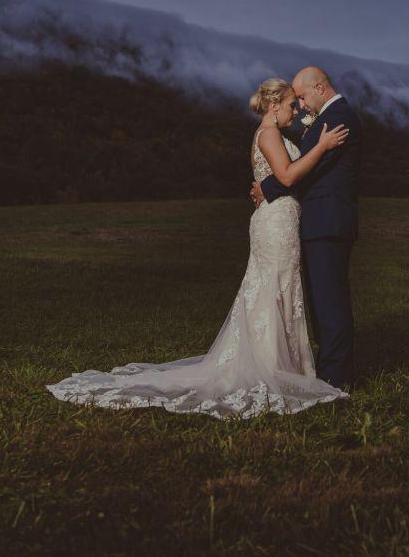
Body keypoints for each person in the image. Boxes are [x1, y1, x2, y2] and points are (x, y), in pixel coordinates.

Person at [45, 77, 351, 419]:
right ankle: (269, 370)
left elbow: (282, 179)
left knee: (282, 290)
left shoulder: (275, 134)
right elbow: (289, 177)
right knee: (271, 291)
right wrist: (322, 146)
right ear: (275, 104)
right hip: (275, 225)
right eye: (292, 106)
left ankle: (284, 368)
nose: (295, 112)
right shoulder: (268, 134)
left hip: (283, 222)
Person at [250, 66, 362, 390]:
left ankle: (336, 379)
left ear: (319, 88)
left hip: (328, 222)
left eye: (301, 97)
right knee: (320, 302)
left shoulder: (339, 116)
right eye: (294, 100)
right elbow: (299, 165)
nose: (300, 106)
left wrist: (266, 187)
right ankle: (325, 371)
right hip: (317, 222)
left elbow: (308, 169)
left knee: (330, 302)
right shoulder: (325, 118)